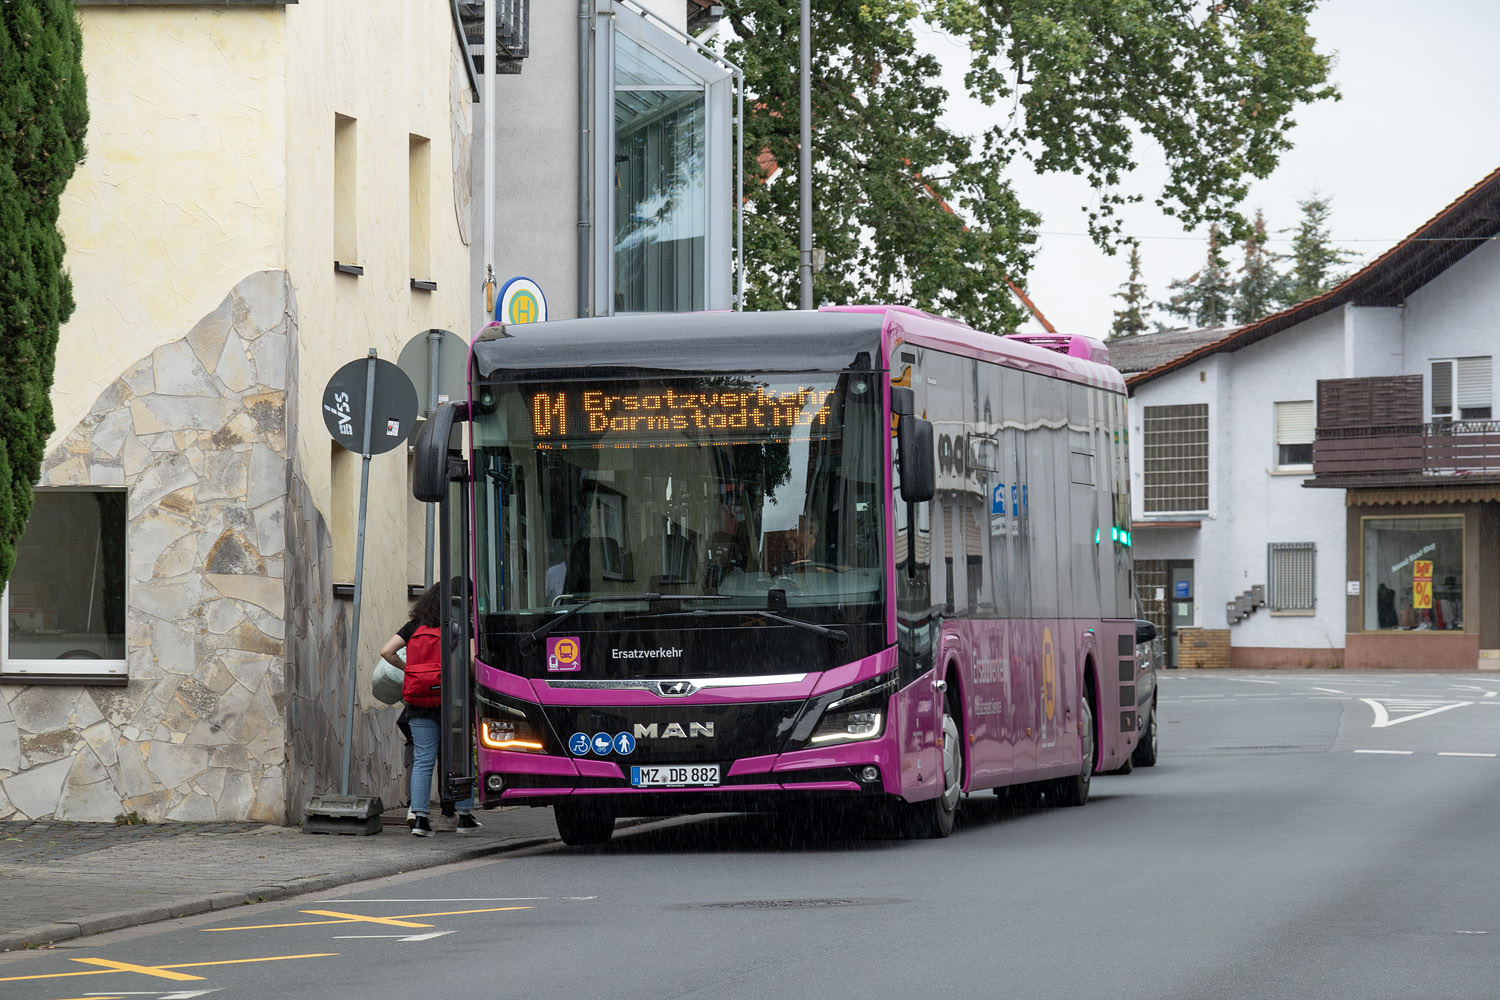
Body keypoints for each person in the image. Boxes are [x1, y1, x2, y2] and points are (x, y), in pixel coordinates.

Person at [380, 583, 480, 837]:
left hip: (420, 701)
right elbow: (470, 660)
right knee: (460, 756)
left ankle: (421, 819)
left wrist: (409, 671)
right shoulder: (459, 625)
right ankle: (464, 815)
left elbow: (386, 651)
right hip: (453, 702)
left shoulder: (415, 625)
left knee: (423, 760)